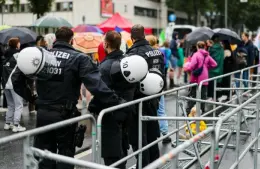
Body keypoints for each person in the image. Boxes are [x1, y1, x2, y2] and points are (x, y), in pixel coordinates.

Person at [13, 27, 129, 169]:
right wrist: (117, 101)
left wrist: (33, 99)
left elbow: (16, 79)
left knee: (44, 156)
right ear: (71, 40)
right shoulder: (79, 58)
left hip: (43, 113)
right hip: (65, 115)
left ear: (55, 40)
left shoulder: (40, 55)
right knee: (65, 157)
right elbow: (97, 86)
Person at [89, 31, 135, 168]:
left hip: (110, 114)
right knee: (122, 147)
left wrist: (92, 106)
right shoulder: (127, 62)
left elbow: (101, 92)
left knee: (112, 154)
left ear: (106, 44)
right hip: (126, 110)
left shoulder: (104, 66)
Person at [126, 24, 165, 167]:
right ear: (144, 35)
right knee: (152, 134)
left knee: (139, 138)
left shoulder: (133, 54)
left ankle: (144, 165)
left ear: (132, 38)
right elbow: (162, 75)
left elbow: (131, 81)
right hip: (154, 98)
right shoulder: (157, 52)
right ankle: (154, 164)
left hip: (138, 101)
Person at [146, 35, 171, 144]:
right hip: (159, 84)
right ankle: (165, 134)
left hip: (148, 85)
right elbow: (164, 67)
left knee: (149, 110)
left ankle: (150, 134)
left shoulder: (146, 54)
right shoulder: (159, 53)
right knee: (161, 110)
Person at [185, 41, 217, 115]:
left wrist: (187, 68)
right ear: (204, 47)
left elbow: (192, 66)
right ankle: (202, 111)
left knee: (193, 95)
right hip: (205, 77)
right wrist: (206, 68)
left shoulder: (196, 55)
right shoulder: (207, 55)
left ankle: (189, 111)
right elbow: (214, 64)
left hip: (196, 77)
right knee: (202, 95)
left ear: (197, 46)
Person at [2, 38, 26, 132]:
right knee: (19, 105)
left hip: (5, 83)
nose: (20, 44)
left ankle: (8, 124)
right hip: (14, 83)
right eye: (19, 42)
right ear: (16, 44)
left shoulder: (5, 54)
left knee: (10, 105)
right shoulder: (18, 55)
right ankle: (16, 125)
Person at [207, 36, 224, 100]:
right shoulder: (221, 48)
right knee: (218, 82)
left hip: (212, 69)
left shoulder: (212, 49)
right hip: (220, 68)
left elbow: (210, 59)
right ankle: (217, 97)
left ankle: (212, 96)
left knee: (211, 82)